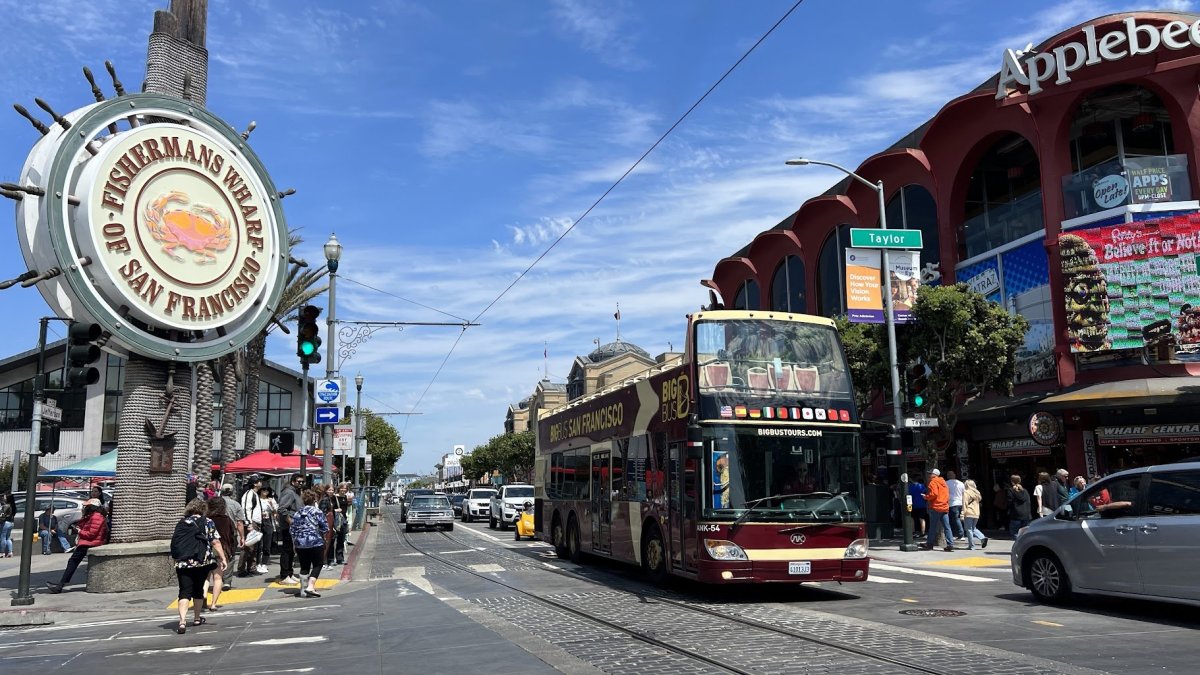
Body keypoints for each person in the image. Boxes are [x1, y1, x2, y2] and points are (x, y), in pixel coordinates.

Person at [172, 498, 224, 635]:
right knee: (198, 589)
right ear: (203, 509)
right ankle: (196, 618)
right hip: (202, 561)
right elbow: (215, 542)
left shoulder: (181, 523)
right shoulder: (207, 522)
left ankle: (182, 621)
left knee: (184, 591)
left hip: (183, 562)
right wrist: (223, 558)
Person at [46, 499, 107, 593]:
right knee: (72, 561)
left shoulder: (96, 517)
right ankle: (60, 584)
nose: (85, 508)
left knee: (73, 562)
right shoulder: (93, 516)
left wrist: (79, 531)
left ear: (92, 507)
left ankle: (60, 585)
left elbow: (91, 534)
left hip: (90, 542)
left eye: (87, 507)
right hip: (88, 542)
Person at [290, 489, 329, 598]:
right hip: (315, 542)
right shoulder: (317, 512)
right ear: (315, 499)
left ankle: (303, 590)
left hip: (300, 543)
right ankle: (311, 586)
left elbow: (292, 529)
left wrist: (294, 543)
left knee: (304, 566)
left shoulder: (298, 513)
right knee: (318, 564)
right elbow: (325, 528)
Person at [205, 496, 236, 610]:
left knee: (206, 578)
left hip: (207, 550)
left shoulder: (206, 519)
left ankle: (203, 598)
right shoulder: (227, 519)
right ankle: (213, 604)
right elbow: (231, 536)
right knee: (218, 578)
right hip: (222, 550)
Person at [276, 474, 303, 584]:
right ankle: (284, 575)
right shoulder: (289, 492)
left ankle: (289, 573)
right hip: (288, 526)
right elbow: (282, 509)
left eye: (302, 482)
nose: (300, 483)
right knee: (287, 550)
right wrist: (290, 521)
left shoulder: (294, 492)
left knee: (291, 551)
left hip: (293, 525)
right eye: (299, 481)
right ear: (293, 481)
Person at [920, 469, 954, 551]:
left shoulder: (933, 482)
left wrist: (926, 497)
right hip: (944, 506)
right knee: (947, 527)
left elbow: (934, 494)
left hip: (936, 507)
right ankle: (950, 544)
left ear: (934, 474)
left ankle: (929, 544)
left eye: (930, 473)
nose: (928, 475)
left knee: (932, 527)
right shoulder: (944, 483)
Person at [239, 475, 264, 577]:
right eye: (259, 481)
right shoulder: (249, 494)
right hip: (252, 522)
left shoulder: (254, 494)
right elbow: (246, 509)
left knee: (253, 547)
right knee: (248, 547)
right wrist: (248, 523)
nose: (261, 483)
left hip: (256, 522)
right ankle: (241, 569)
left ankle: (251, 567)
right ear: (255, 483)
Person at [962, 479, 988, 550]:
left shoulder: (966, 492)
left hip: (968, 512)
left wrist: (962, 514)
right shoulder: (977, 493)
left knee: (969, 529)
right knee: (973, 528)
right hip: (976, 513)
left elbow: (965, 503)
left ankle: (971, 545)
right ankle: (982, 537)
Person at [329, 483, 351, 565]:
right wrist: (336, 510)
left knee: (341, 540)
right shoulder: (334, 497)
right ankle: (330, 559)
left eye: (345, 488)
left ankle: (340, 559)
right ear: (339, 488)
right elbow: (330, 509)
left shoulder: (345, 497)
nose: (344, 490)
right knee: (332, 540)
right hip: (335, 521)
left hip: (343, 521)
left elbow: (345, 510)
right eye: (342, 488)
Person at [258, 486, 277, 571]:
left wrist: (271, 504)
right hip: (258, 521)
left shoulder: (271, 500)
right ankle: (258, 563)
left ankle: (264, 563)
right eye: (264, 490)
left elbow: (276, 510)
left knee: (267, 544)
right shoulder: (257, 499)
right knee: (258, 544)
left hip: (268, 521)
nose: (265, 492)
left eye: (267, 490)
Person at [945, 470, 965, 540]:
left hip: (952, 503)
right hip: (960, 503)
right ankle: (959, 533)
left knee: (955, 519)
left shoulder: (946, 483)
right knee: (958, 518)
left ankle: (960, 534)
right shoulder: (961, 483)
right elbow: (963, 494)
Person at [0, 491, 14, 558]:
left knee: (2, 537)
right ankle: (10, 552)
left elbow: (2, 515)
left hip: (5, 523)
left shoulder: (5, 506)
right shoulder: (11, 505)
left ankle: (2, 552)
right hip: (11, 523)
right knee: (8, 538)